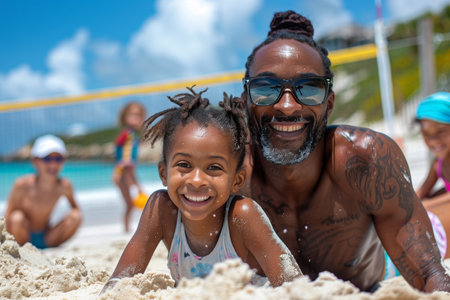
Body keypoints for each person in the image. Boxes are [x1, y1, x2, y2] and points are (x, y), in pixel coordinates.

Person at [240, 10, 450, 293]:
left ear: (329, 103)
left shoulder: (366, 159)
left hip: (385, 260)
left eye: (308, 89)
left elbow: (430, 275)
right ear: (246, 101)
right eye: (265, 89)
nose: (287, 106)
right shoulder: (228, 174)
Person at [101, 87, 302, 293]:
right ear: (163, 174)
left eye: (214, 167)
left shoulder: (242, 216)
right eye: (184, 165)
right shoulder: (161, 211)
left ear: (236, 180)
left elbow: (295, 286)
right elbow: (118, 285)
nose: (196, 180)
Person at [5, 134, 82, 249]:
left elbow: (76, 209)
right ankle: (24, 249)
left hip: (47, 237)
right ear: (35, 161)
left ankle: (51, 247)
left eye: (58, 159)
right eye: (47, 159)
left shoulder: (64, 185)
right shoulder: (22, 185)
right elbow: (8, 216)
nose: (53, 163)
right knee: (17, 217)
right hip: (21, 236)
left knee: (76, 216)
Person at [415, 91, 450, 259]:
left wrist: (425, 206)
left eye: (441, 132)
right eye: (427, 135)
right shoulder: (439, 163)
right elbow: (421, 192)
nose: (434, 141)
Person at [113, 101, 147, 232]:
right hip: (123, 170)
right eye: (132, 115)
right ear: (125, 117)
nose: (136, 118)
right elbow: (118, 145)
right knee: (130, 203)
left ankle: (127, 229)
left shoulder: (133, 134)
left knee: (131, 203)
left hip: (128, 169)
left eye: (138, 115)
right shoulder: (127, 133)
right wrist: (120, 164)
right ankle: (126, 229)